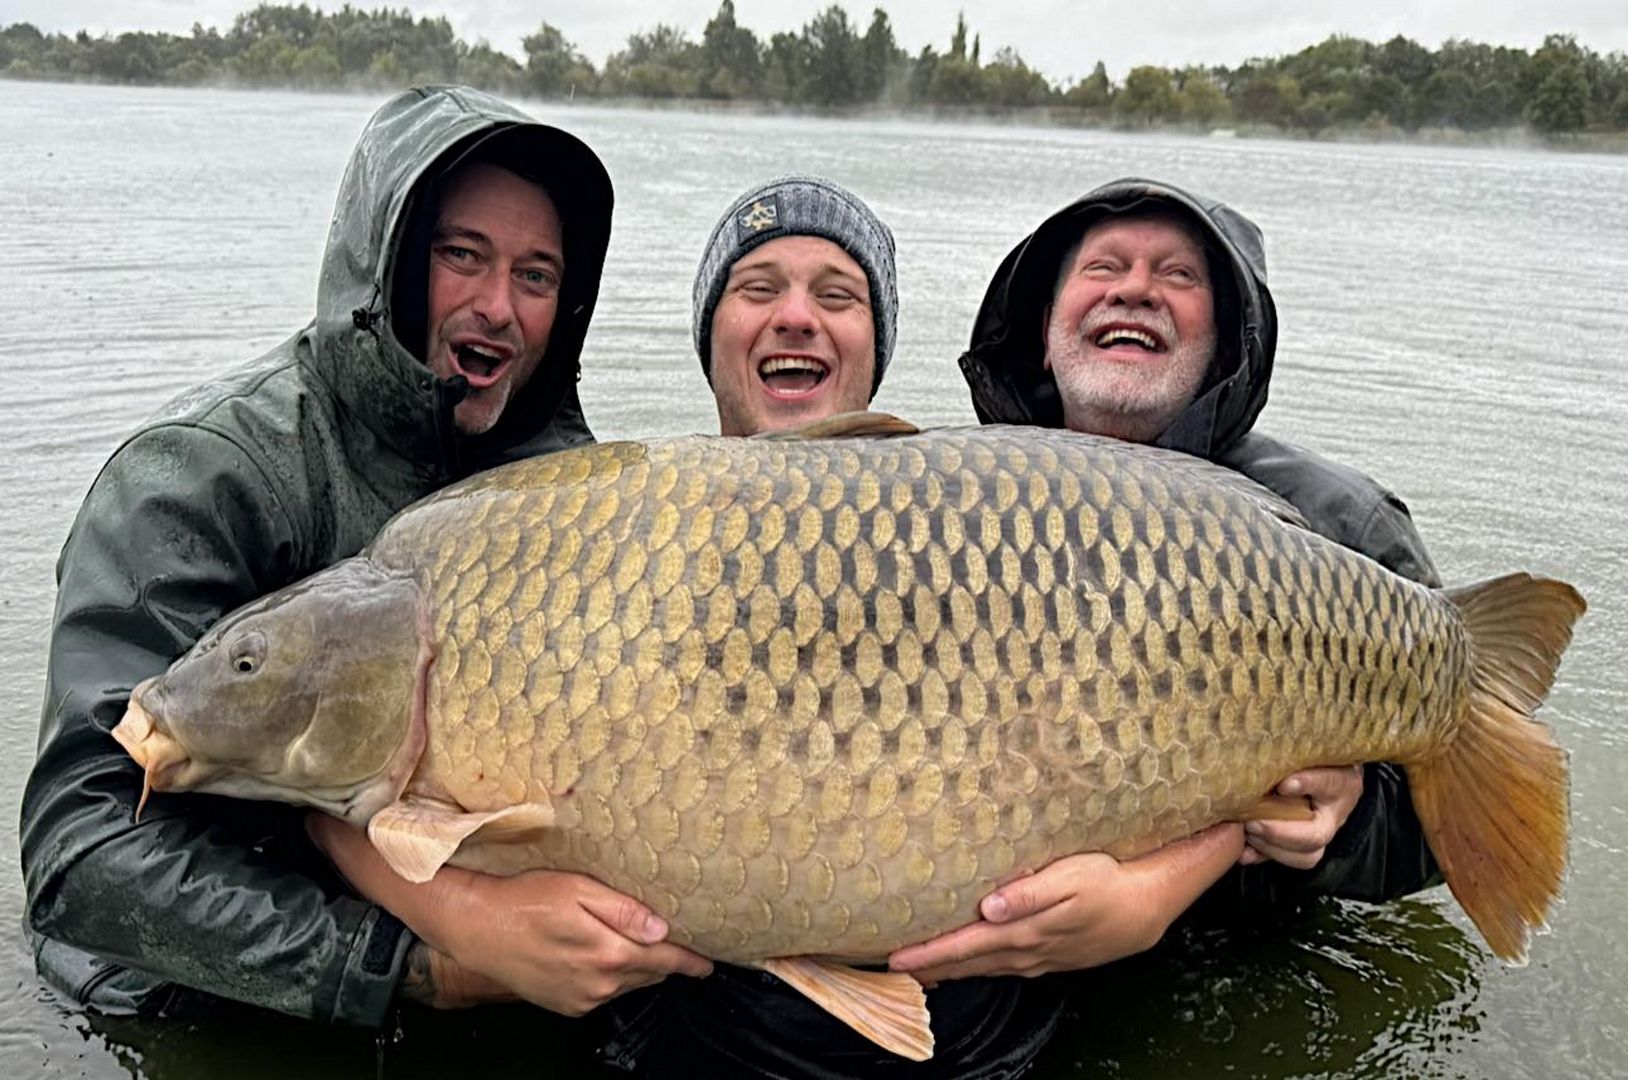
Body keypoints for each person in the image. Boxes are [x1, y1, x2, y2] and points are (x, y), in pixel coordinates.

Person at [16, 85, 714, 1030]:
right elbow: (80, 856)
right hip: (197, 1009)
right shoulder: (199, 477)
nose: (497, 307)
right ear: (377, 266)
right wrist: (428, 963)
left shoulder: (571, 496)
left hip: (508, 1004)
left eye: (537, 275)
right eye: (459, 255)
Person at [886, 177, 1442, 991]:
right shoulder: (951, 500)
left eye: (1177, 277)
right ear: (1044, 334)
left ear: (1224, 342)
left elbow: (1456, 831)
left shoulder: (1338, 527)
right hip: (1017, 962)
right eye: (1103, 267)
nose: (1135, 289)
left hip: (1234, 970)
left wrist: (1352, 819)